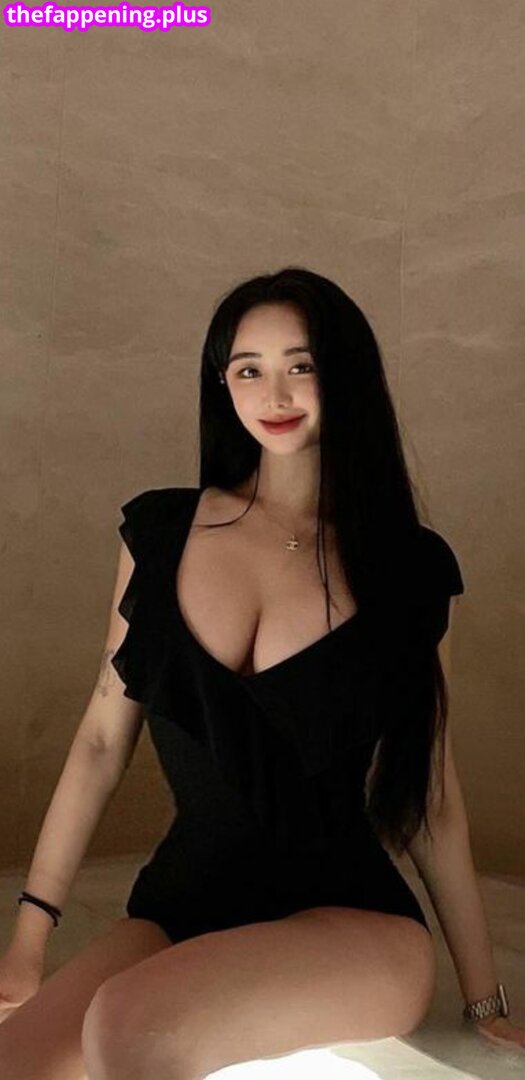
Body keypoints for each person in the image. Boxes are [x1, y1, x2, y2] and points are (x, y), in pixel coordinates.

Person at [0, 266, 522, 1078]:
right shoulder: (160, 532)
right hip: (182, 906)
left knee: (129, 1027)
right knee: (18, 1060)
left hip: (351, 922)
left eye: (300, 364)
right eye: (247, 369)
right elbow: (101, 743)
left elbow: (431, 797)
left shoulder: (409, 569)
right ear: (222, 384)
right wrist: (28, 944)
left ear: (345, 374)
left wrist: (485, 1001)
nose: (273, 393)